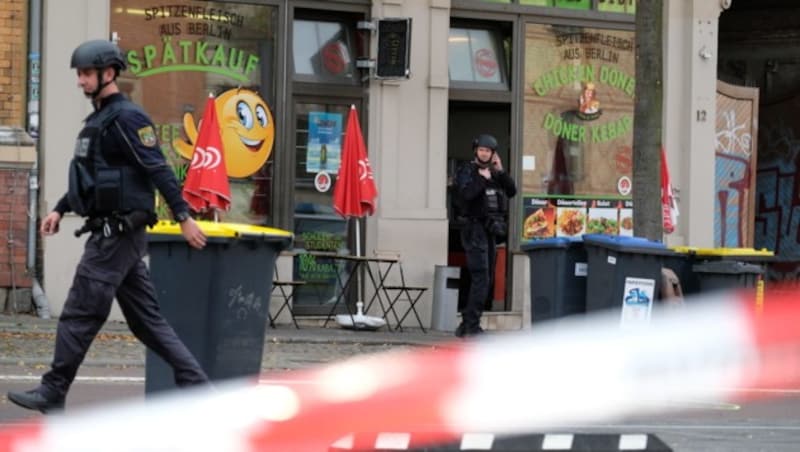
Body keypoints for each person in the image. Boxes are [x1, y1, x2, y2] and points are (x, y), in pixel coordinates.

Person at [6, 39, 210, 414]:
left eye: (86, 74)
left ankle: (53, 390)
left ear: (108, 74)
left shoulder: (127, 119)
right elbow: (94, 178)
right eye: (79, 74)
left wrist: (183, 217)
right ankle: (198, 387)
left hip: (115, 237)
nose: (80, 81)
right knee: (147, 322)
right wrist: (60, 208)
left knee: (80, 313)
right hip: (118, 237)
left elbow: (158, 168)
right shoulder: (98, 122)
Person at [452, 134, 517, 337]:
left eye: (488, 151)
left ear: (493, 153)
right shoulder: (467, 171)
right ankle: (471, 326)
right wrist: (482, 178)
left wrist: (500, 170)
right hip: (473, 230)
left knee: (486, 279)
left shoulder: (494, 173)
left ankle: (466, 325)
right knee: (481, 278)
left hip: (489, 231)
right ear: (475, 150)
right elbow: (466, 195)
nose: (484, 153)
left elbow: (512, 190)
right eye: (481, 150)